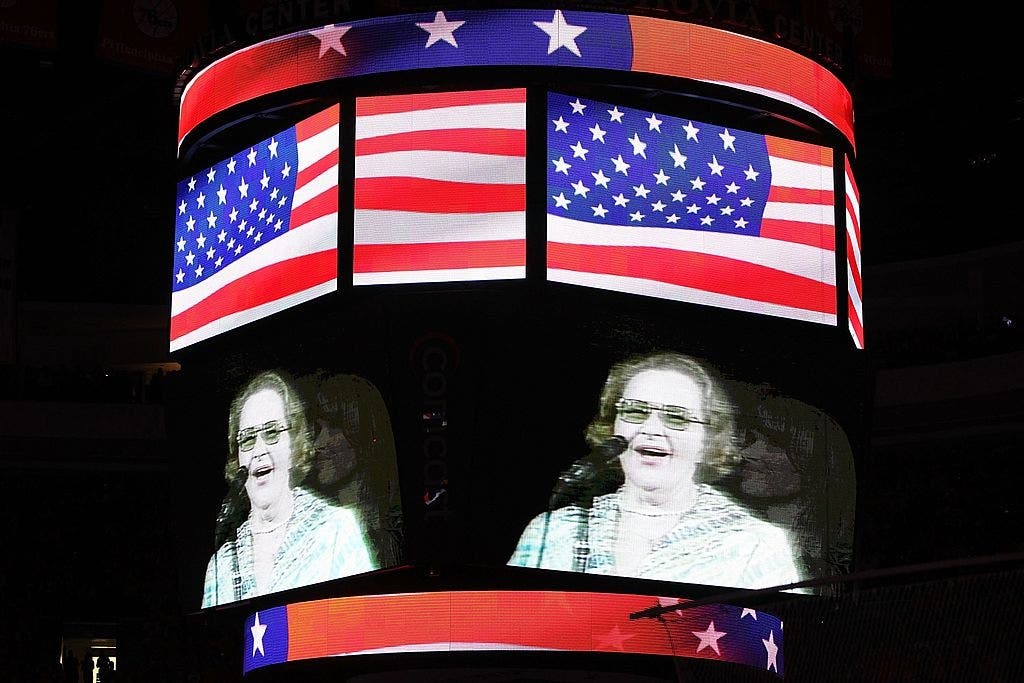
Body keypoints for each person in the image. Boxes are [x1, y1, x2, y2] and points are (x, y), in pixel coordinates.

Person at [508, 351, 805, 591]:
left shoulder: (753, 544)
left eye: (676, 418)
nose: (650, 429)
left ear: (707, 440)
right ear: (613, 426)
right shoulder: (554, 530)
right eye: (635, 411)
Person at [202, 369, 377, 607]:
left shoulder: (335, 530)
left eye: (272, 433)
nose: (259, 450)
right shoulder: (220, 565)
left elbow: (362, 621)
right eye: (248, 439)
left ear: (294, 445)